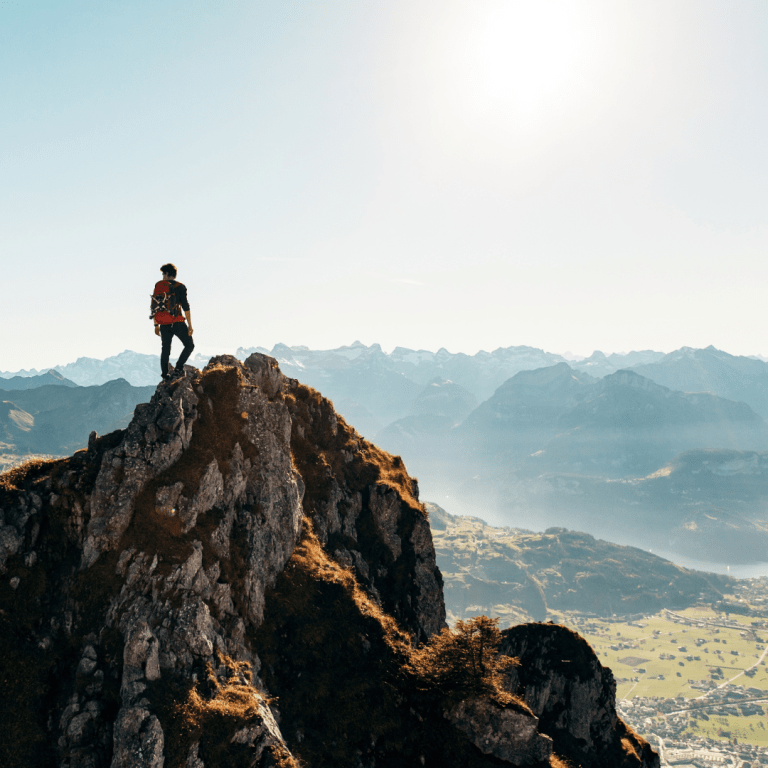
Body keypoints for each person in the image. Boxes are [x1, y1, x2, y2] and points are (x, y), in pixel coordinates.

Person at [150, 263, 195, 381]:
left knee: (165, 349)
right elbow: (185, 306)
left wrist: (156, 325)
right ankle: (178, 368)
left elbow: (155, 306)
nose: (162, 276)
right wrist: (190, 325)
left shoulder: (159, 286)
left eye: (163, 274)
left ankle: (165, 374)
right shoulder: (180, 287)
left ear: (167, 274)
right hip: (177, 322)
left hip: (163, 324)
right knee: (189, 345)